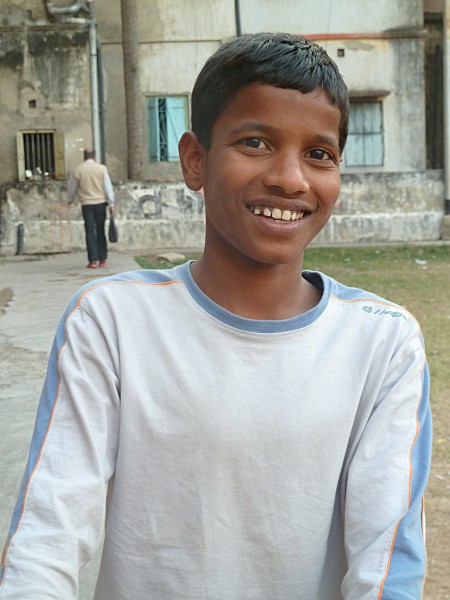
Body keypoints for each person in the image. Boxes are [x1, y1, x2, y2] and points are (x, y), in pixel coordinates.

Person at [0, 33, 431, 600]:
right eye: (255, 142)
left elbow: (387, 556)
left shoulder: (382, 342)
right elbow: (48, 533)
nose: (290, 178)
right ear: (195, 160)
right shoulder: (112, 322)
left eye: (319, 154)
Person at [68, 148, 115, 268]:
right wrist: (111, 203)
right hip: (100, 203)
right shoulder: (101, 169)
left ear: (84, 157)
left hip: (86, 204)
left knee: (89, 231)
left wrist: (70, 200)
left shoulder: (78, 170)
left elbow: (72, 187)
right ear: (94, 157)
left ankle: (93, 260)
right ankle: (103, 259)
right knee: (100, 230)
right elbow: (107, 187)